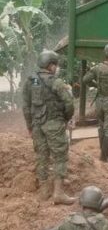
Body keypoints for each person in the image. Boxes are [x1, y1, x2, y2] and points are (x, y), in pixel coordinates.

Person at [21, 50, 76, 205]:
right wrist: (65, 118)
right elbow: (69, 103)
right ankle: (58, 193)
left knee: (41, 157)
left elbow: (25, 106)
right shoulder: (56, 82)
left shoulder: (30, 81)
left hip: (37, 125)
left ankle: (44, 192)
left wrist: (30, 126)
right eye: (56, 65)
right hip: (54, 124)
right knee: (60, 157)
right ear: (51, 65)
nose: (57, 68)